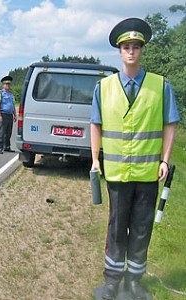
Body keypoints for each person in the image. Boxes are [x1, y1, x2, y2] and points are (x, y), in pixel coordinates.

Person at [90, 18, 180, 300]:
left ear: (142, 51)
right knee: (117, 228)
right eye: (126, 47)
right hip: (117, 172)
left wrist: (165, 160)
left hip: (149, 172)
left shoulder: (160, 86)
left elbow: (170, 124)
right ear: (119, 51)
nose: (131, 51)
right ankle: (112, 281)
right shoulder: (103, 87)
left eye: (136, 47)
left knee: (141, 228)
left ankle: (134, 282)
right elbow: (96, 124)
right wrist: (95, 160)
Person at [0, 75, 17, 154]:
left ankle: (6, 146)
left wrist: (15, 115)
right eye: (6, 84)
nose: (8, 85)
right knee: (2, 132)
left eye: (9, 84)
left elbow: (13, 105)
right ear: (3, 85)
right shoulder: (0, 93)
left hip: (9, 115)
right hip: (3, 114)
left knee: (8, 132)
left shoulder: (11, 94)